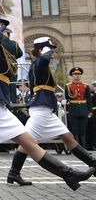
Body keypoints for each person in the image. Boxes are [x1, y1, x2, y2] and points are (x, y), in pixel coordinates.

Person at [0, 13, 94, 200]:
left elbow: (19, 53)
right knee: (29, 143)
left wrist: (2, 33)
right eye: (0, 27)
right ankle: (68, 174)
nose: (5, 31)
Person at [7, 38, 96, 185]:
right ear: (42, 49)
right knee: (28, 143)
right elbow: (42, 61)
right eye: (49, 49)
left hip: (44, 108)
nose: (52, 53)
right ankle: (14, 173)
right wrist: (47, 53)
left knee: (67, 136)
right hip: (41, 109)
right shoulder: (38, 62)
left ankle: (13, 173)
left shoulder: (39, 63)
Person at [65, 67, 92, 146]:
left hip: (83, 109)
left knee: (83, 129)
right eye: (75, 74)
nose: (77, 76)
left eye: (79, 74)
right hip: (73, 109)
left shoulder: (85, 86)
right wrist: (67, 110)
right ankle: (77, 147)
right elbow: (67, 99)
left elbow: (89, 99)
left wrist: (90, 111)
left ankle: (84, 147)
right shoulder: (68, 86)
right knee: (75, 129)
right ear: (72, 75)